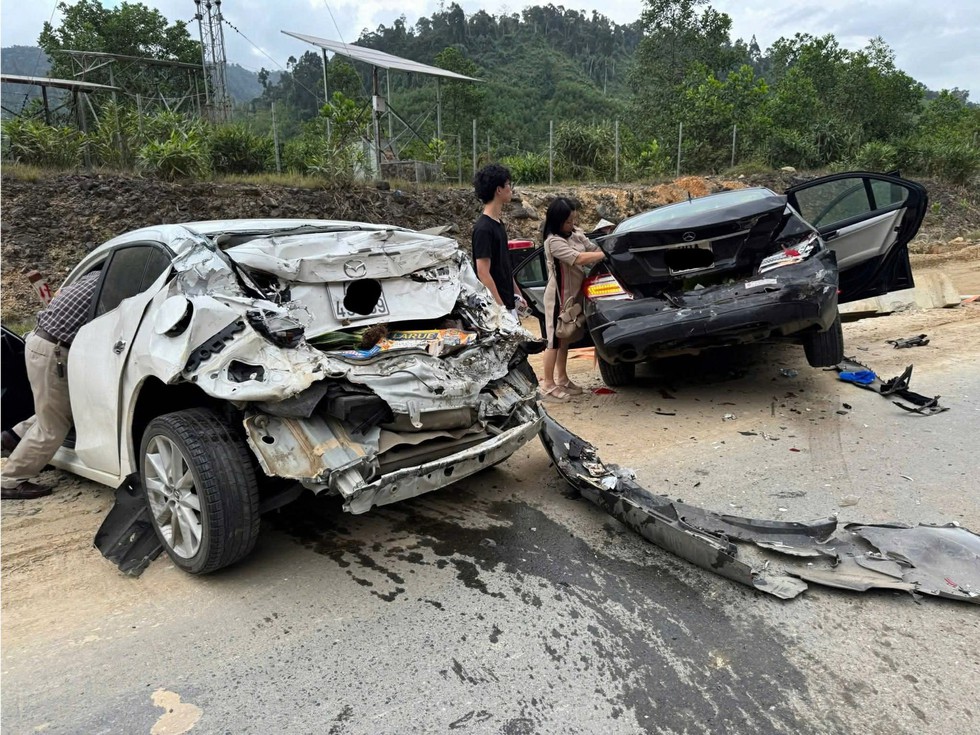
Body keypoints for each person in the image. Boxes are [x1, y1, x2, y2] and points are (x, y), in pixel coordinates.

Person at [1, 270, 100, 499]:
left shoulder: (95, 274)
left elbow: (59, 295)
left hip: (40, 341)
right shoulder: (120, 284)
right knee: (54, 426)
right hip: (55, 351)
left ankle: (12, 438)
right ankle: (9, 481)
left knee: (54, 411)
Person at [538, 198, 606, 402]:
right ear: (557, 221)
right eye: (568, 221)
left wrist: (603, 250)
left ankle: (562, 379)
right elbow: (579, 258)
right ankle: (548, 385)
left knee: (564, 339)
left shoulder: (575, 233)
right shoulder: (553, 242)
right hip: (557, 298)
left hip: (573, 296)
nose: (572, 224)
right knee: (553, 340)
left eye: (573, 219)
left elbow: (591, 248)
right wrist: (604, 254)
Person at [471, 163, 528, 320]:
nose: (511, 189)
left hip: (508, 304)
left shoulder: (498, 224)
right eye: (508, 184)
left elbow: (504, 266)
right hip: (496, 310)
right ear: (499, 190)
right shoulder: (483, 229)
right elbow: (483, 273)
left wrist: (517, 293)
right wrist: (500, 307)